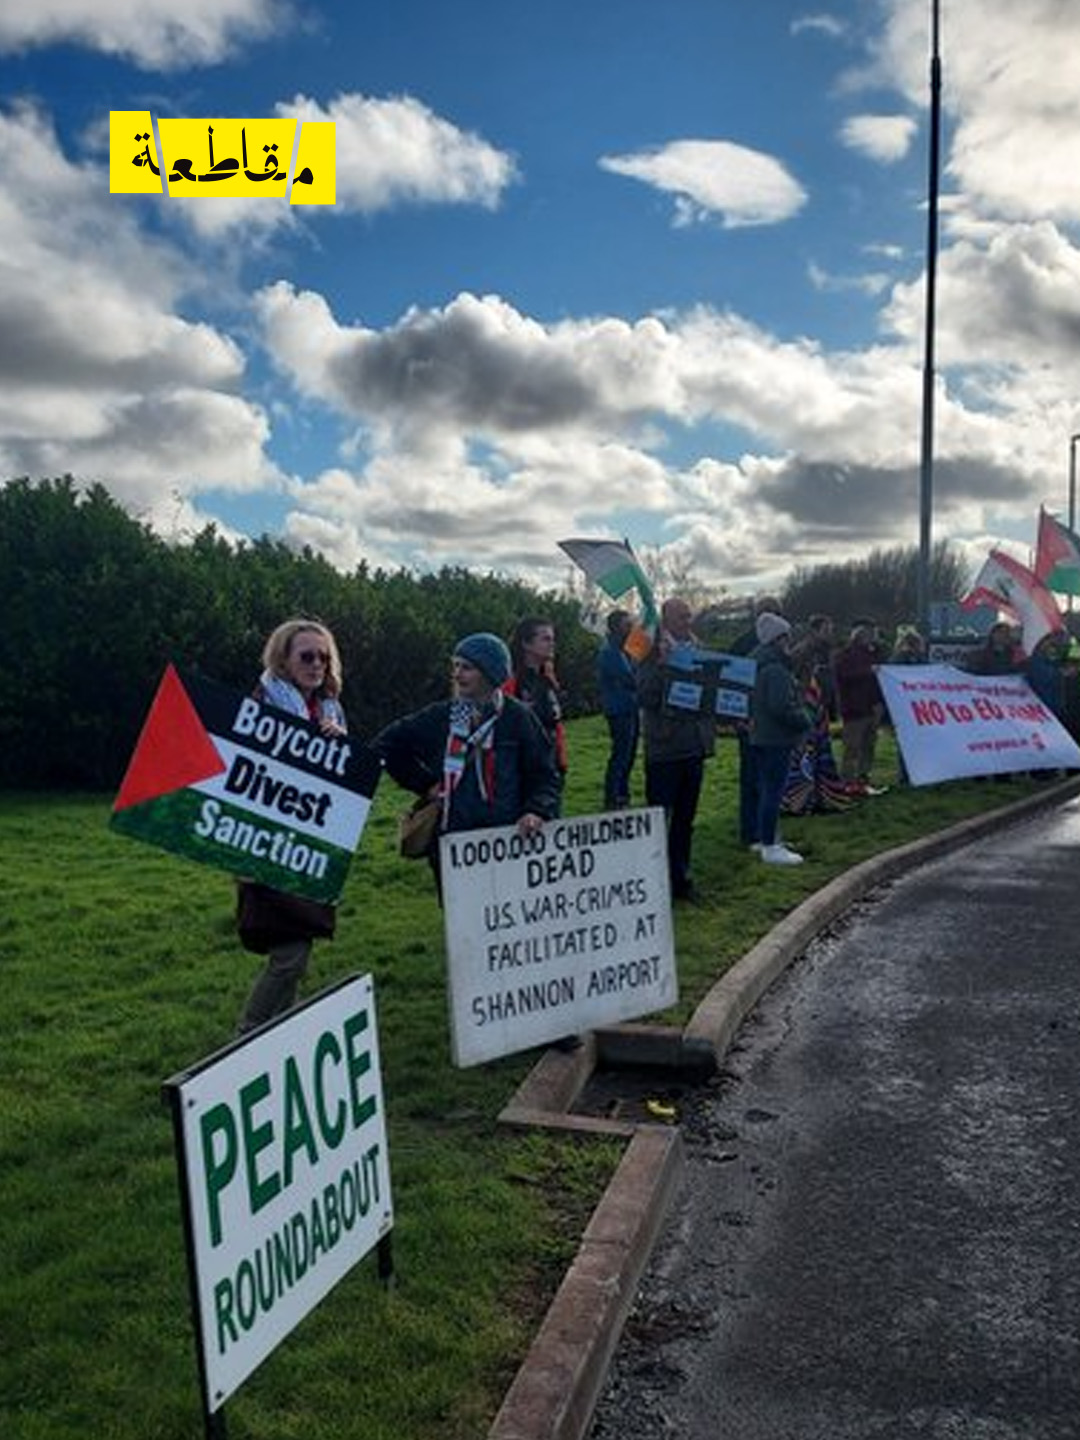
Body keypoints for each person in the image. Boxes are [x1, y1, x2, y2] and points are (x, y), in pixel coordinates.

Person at [374, 632, 561, 895]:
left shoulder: (518, 718)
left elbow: (544, 775)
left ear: (490, 673)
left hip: (508, 842)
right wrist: (425, 784)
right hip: (453, 844)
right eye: (456, 666)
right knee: (462, 918)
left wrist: (536, 810)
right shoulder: (442, 716)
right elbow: (387, 745)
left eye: (467, 667)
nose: (457, 674)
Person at [236, 618, 348, 1034]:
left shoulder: (330, 710)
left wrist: (339, 747)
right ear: (283, 660)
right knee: (290, 954)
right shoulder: (261, 707)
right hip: (268, 845)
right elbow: (242, 778)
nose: (317, 664)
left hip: (309, 846)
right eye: (307, 656)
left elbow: (337, 787)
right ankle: (247, 1035)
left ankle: (279, 1038)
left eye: (324, 657)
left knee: (297, 948)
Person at [638, 596, 716, 900]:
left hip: (694, 745)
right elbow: (644, 696)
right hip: (665, 748)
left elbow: (711, 693)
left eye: (689, 616)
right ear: (666, 619)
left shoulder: (699, 648)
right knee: (659, 820)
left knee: (685, 819)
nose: (688, 622)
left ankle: (681, 878)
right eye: (682, 617)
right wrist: (663, 667)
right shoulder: (650, 651)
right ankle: (654, 880)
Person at [749, 614, 812, 865]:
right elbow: (780, 706)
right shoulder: (775, 669)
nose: (790, 641)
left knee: (765, 789)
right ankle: (771, 846)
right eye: (786, 636)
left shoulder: (759, 664)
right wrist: (804, 718)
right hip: (775, 738)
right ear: (778, 639)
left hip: (761, 736)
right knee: (773, 792)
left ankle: (765, 837)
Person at [729, 595, 784, 849]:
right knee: (754, 779)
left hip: (768, 720)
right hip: (752, 720)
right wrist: (738, 716)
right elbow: (733, 684)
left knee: (768, 780)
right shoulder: (744, 645)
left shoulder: (772, 644)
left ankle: (766, 831)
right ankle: (752, 832)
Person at [505, 616, 568, 812]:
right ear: (526, 644)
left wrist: (561, 761)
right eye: (545, 639)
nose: (552, 644)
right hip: (524, 773)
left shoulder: (547, 679)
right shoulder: (512, 681)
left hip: (551, 769)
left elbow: (556, 722)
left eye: (553, 639)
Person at [834, 620, 887, 792]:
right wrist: (867, 672)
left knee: (869, 746)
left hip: (872, 706)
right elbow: (843, 675)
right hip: (854, 708)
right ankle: (848, 781)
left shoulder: (874, 654)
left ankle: (863, 778)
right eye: (870, 634)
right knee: (852, 747)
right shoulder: (845, 654)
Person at [597, 608, 639, 808]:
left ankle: (622, 794)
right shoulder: (610, 652)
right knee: (621, 754)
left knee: (628, 754)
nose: (631, 629)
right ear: (616, 628)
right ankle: (613, 797)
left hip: (629, 707)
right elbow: (630, 678)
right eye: (627, 625)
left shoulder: (621, 649)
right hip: (619, 710)